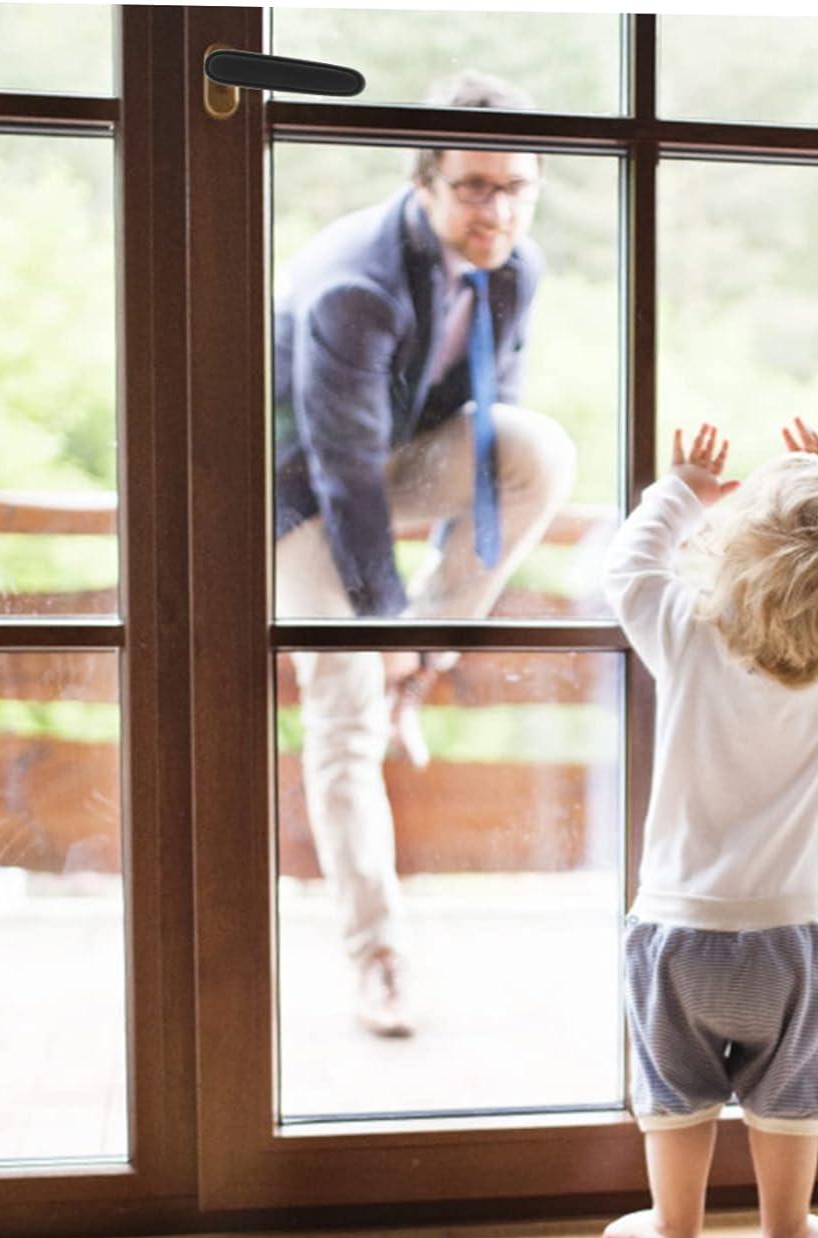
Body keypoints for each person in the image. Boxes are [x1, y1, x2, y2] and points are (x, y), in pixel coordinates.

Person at [272, 72, 576, 1038]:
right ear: (426, 183)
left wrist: (428, 628)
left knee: (540, 450)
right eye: (476, 188)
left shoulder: (516, 267)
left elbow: (492, 434)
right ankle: (381, 958)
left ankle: (421, 666)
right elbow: (345, 472)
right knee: (345, 714)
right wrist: (382, 622)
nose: (500, 209)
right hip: (294, 491)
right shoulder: (358, 283)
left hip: (393, 457)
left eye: (517, 187)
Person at [600, 417, 818, 1238]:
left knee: (675, 1094)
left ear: (730, 558)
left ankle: (675, 1229)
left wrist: (685, 487)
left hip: (678, 934)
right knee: (791, 1096)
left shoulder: (692, 638)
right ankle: (787, 1232)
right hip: (791, 940)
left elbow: (629, 568)